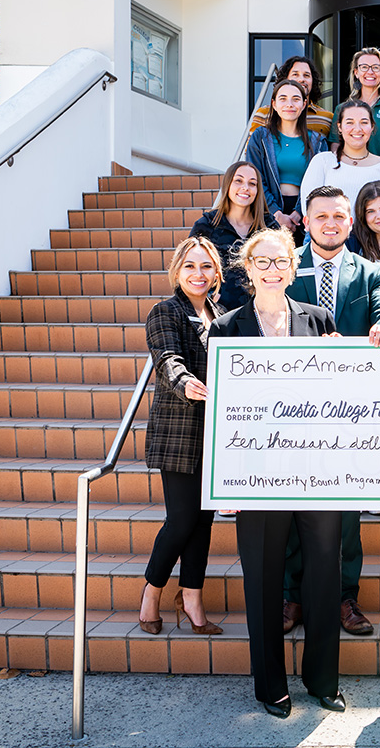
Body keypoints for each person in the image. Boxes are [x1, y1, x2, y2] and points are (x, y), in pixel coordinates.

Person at [209, 227, 341, 719]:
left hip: (317, 470)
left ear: (292, 264)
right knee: (263, 580)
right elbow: (221, 408)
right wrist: (225, 480)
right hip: (256, 473)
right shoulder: (224, 328)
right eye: (261, 262)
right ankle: (271, 686)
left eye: (280, 260)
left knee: (324, 573)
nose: (271, 269)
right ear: (247, 267)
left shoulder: (318, 318)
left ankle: (323, 679)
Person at [282, 185, 380, 637]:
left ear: (349, 224)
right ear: (307, 221)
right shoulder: (286, 266)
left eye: (338, 216)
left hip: (352, 408)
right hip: (295, 406)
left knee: (347, 508)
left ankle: (344, 598)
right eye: (320, 217)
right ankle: (291, 598)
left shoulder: (368, 271)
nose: (330, 224)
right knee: (295, 501)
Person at [138, 237, 227, 638]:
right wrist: (185, 381)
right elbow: (166, 358)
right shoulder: (165, 312)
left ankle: (191, 597)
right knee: (181, 520)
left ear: (216, 274)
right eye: (190, 266)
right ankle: (152, 592)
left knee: (204, 521)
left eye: (206, 267)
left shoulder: (222, 315)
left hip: (217, 433)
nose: (198, 274)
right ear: (178, 270)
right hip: (179, 432)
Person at [188, 161, 276, 311]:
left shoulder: (269, 227)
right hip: (220, 314)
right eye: (238, 181)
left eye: (252, 183)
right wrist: (206, 299)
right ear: (228, 184)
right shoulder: (206, 225)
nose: (245, 188)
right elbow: (188, 267)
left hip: (263, 312)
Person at [245, 79, 328, 234]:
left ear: (304, 104)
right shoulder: (261, 137)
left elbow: (321, 182)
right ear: (274, 104)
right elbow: (254, 177)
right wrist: (276, 213)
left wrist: (299, 212)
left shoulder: (317, 141)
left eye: (295, 99)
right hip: (267, 212)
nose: (289, 104)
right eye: (283, 99)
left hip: (305, 216)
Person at [302, 100, 380, 216]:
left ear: (372, 126)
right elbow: (308, 207)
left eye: (364, 122)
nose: (357, 129)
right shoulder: (322, 161)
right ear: (339, 127)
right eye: (350, 122)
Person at [329, 48, 380, 157]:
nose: (370, 72)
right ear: (356, 73)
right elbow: (336, 143)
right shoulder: (342, 109)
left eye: (375, 67)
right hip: (352, 169)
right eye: (364, 67)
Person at [247, 55, 333, 137]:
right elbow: (252, 150)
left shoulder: (326, 118)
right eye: (295, 74)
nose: (301, 79)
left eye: (306, 75)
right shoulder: (264, 114)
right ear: (285, 79)